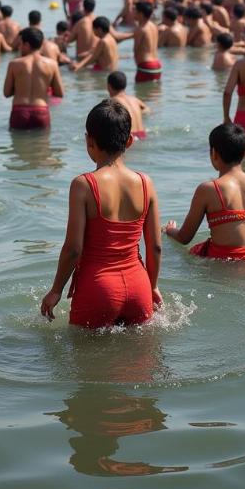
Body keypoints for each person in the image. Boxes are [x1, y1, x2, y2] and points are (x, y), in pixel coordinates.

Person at [40, 99, 161, 327]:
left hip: (98, 289)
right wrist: (152, 286)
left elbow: (73, 249)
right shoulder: (146, 184)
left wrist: (56, 291)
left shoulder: (83, 185)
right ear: (130, 140)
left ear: (89, 140)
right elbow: (155, 246)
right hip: (139, 287)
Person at [165, 123, 245, 260]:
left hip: (225, 263)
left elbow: (184, 238)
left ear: (213, 154)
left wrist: (169, 230)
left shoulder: (208, 189)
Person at [4, 27, 63, 129]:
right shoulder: (52, 64)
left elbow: (7, 93)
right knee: (42, 144)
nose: (19, 47)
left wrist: (20, 87)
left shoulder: (14, 64)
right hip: (41, 111)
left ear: (27, 45)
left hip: (19, 112)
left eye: (21, 44)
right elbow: (59, 93)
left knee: (18, 145)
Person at [115, 1, 161, 83]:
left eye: (135, 11)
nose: (132, 13)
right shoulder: (153, 26)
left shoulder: (140, 29)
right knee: (154, 95)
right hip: (157, 65)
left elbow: (136, 49)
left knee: (141, 95)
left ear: (141, 14)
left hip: (146, 66)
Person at [106, 71, 148, 139]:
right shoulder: (134, 99)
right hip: (143, 134)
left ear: (108, 86)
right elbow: (147, 110)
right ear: (125, 85)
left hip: (129, 137)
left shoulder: (112, 101)